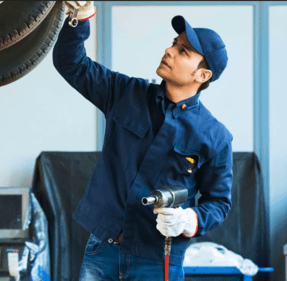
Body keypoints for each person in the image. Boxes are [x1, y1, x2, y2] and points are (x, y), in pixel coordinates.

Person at [53, 2, 233, 280]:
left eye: (183, 51)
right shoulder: (125, 93)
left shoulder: (215, 137)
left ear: (202, 75)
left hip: (156, 259)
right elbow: (71, 63)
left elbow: (219, 202)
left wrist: (189, 220)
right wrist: (80, 17)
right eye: (174, 43)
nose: (169, 50)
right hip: (102, 250)